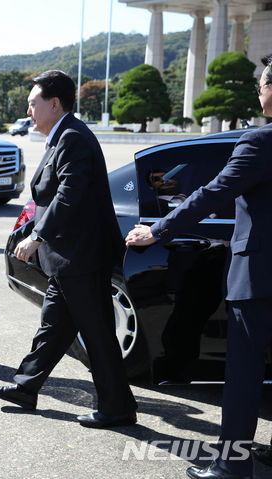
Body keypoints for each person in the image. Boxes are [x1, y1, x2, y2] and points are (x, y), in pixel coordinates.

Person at [126, 54, 272, 479]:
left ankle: (232, 466)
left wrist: (157, 231)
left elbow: (214, 192)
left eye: (262, 83)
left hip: (260, 274)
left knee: (244, 373)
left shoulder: (259, 141)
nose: (258, 90)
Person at [0, 70, 137, 429]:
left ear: (54, 104)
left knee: (97, 334)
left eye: (33, 104)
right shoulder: (60, 137)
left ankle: (117, 408)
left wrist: (37, 235)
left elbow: (71, 194)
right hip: (68, 259)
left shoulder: (73, 138)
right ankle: (26, 387)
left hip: (81, 258)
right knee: (53, 327)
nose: (29, 111)